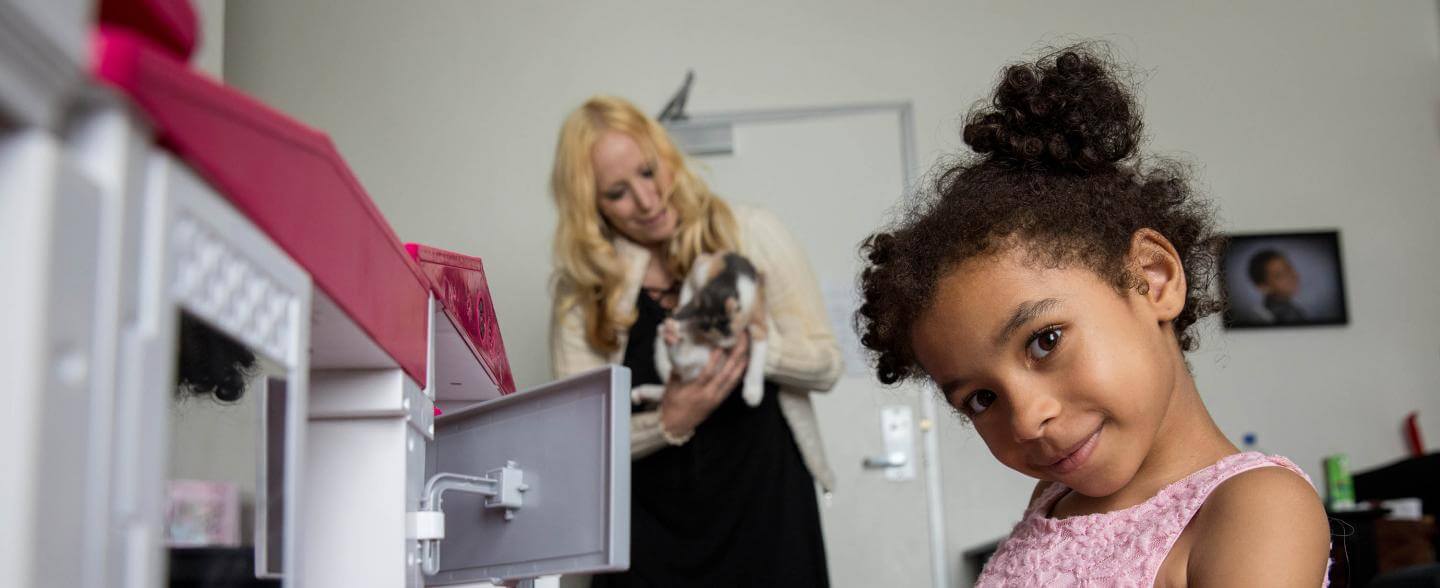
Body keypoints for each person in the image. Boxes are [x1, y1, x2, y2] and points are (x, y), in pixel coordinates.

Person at [855, 46, 1331, 586]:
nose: (1026, 419)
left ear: (1153, 277)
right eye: (981, 399)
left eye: (1045, 340)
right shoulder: (1054, 498)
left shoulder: (1254, 508)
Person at [548, 95, 841, 586]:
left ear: (668, 157)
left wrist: (751, 346)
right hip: (647, 539)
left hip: (768, 512)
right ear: (590, 206)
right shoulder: (582, 289)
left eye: (648, 171)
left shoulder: (751, 232)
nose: (646, 200)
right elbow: (580, 440)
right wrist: (669, 420)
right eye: (617, 192)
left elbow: (826, 363)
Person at [1248, 248, 1306, 323]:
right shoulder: (1265, 318)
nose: (1290, 276)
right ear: (1263, 287)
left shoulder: (1293, 309)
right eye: (1279, 275)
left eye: (1289, 268)